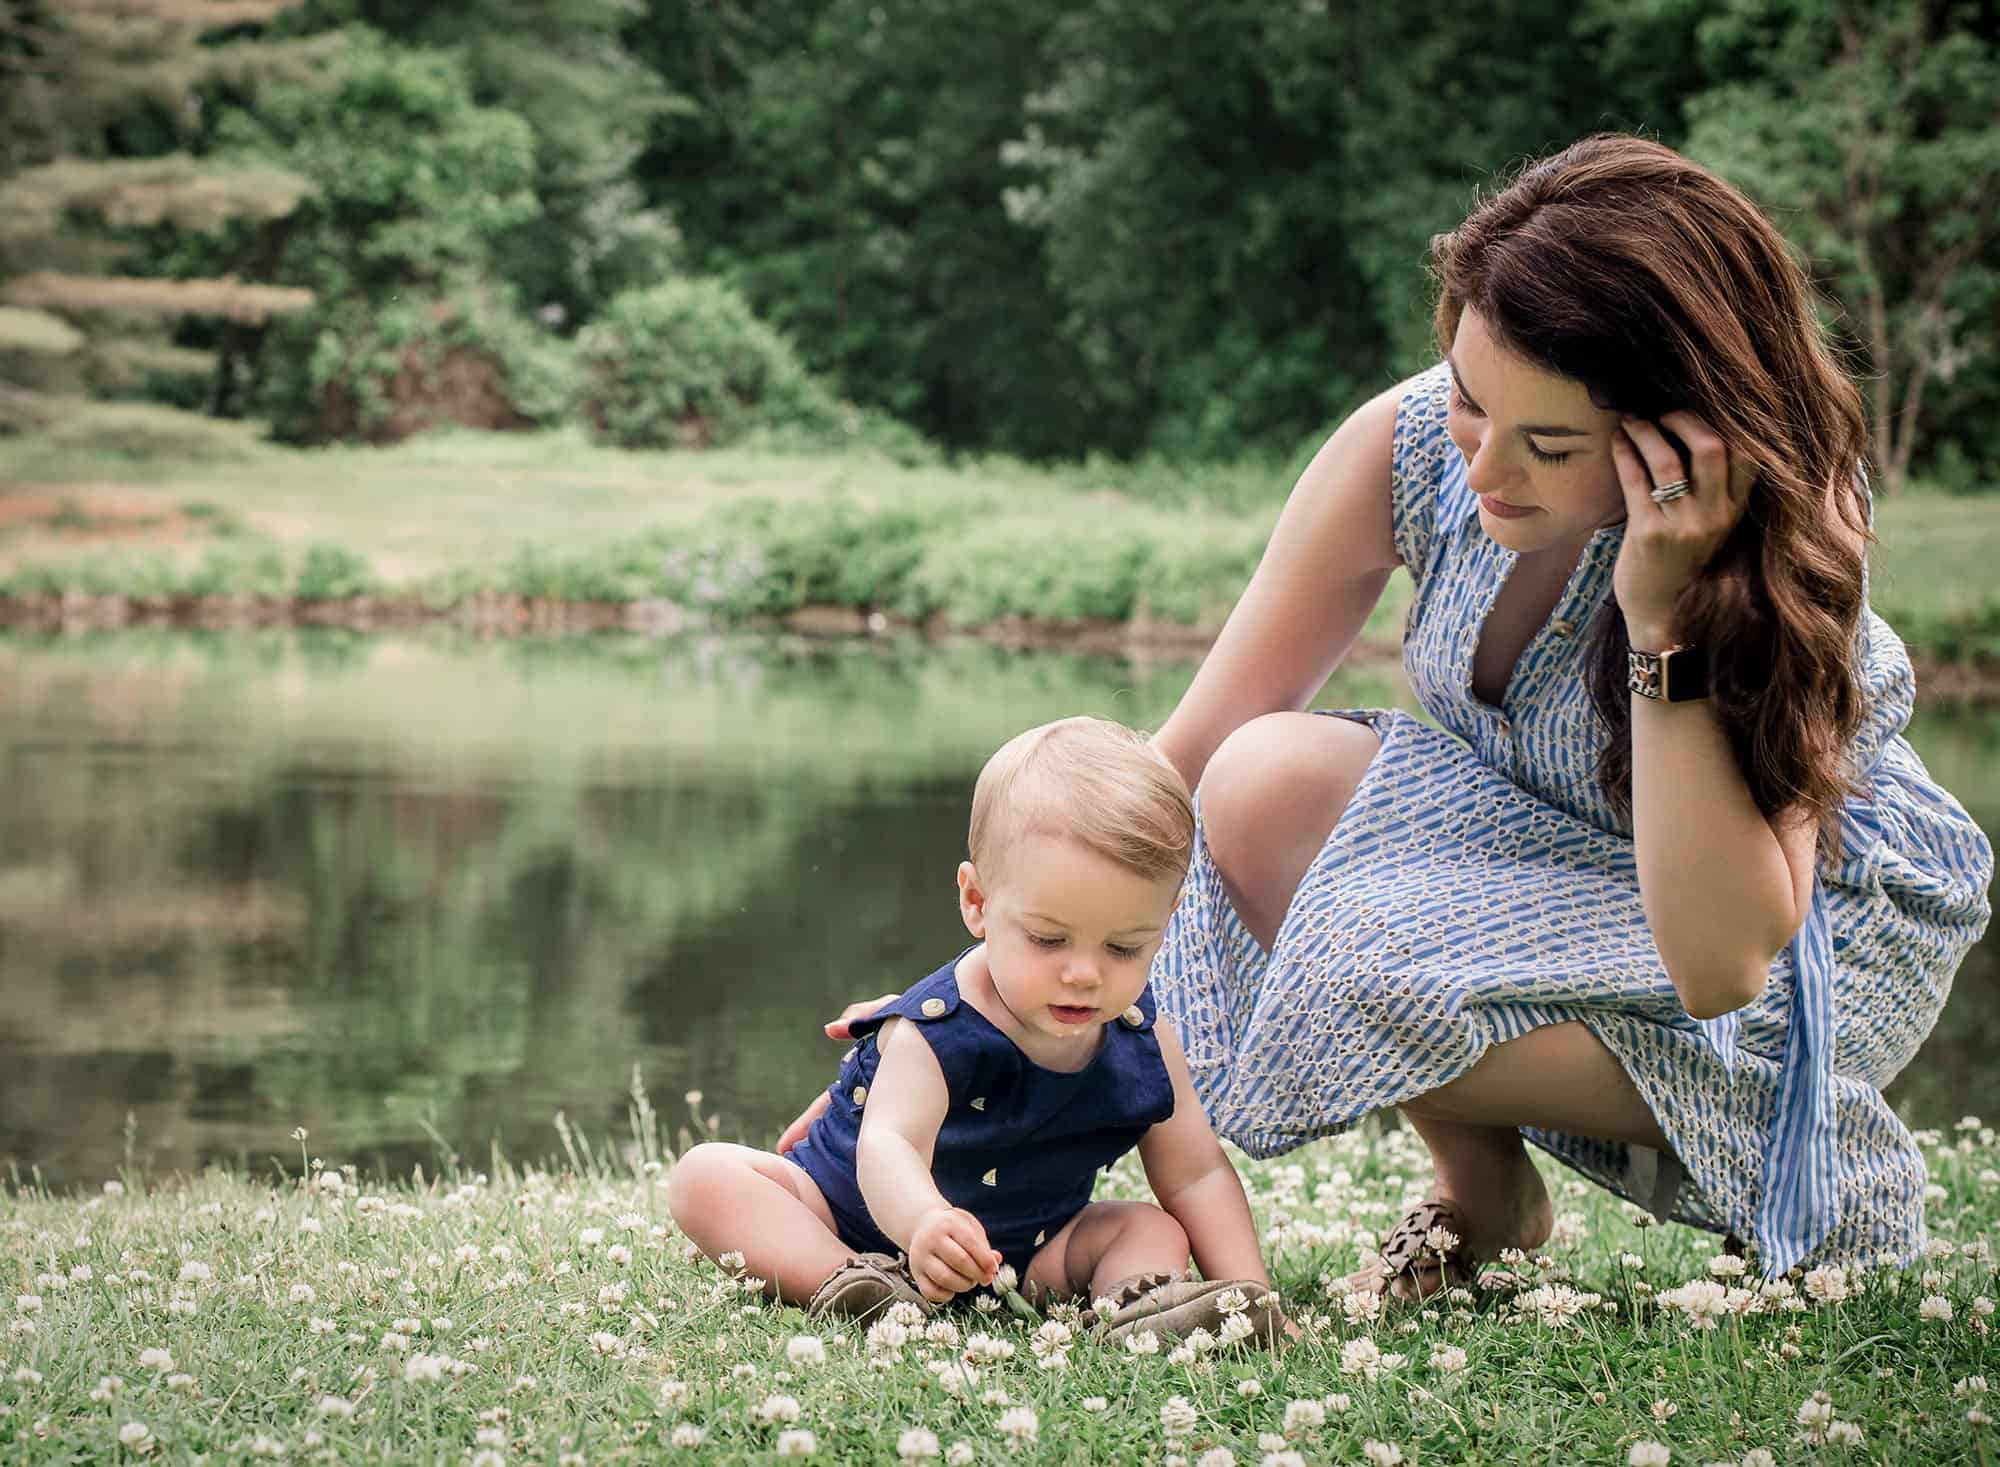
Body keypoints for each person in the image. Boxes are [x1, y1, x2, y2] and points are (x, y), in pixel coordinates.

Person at [787, 135, 1992, 1294]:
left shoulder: (1767, 550)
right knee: (1253, 783)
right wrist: (944, 1020)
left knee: (1363, 963)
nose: (1486, 470)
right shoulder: (1415, 443)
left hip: (1789, 948)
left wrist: (1661, 618)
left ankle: (1786, 1153)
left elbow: (1723, 963)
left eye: (1549, 443)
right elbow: (1180, 761)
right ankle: (1484, 1194)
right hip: (1543, 865)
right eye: (1471, 400)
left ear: (1678, 434)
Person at [673, 716, 1283, 1339]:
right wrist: (923, 1225)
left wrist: (1256, 1295)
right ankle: (854, 1284)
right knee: (708, 1176)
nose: (1084, 974)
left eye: (1124, 948)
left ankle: (1140, 1308)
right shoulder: (937, 1029)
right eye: (1049, 939)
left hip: (1029, 1255)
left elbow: (1196, 1175)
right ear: (977, 902)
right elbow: (890, 1145)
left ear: (1166, 920)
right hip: (848, 1220)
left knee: (1152, 1227)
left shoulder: (1145, 1040)